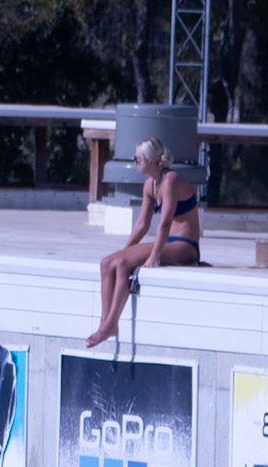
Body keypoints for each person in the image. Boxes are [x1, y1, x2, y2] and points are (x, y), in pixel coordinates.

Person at [86, 136, 201, 348]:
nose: (134, 161)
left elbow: (165, 222)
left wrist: (154, 256)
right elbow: (142, 224)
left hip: (185, 245)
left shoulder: (171, 180)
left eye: (137, 158)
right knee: (107, 263)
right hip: (168, 242)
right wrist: (125, 250)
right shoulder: (150, 184)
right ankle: (104, 323)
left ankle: (112, 324)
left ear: (149, 159)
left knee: (123, 264)